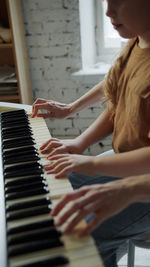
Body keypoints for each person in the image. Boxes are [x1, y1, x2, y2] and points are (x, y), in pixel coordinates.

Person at [32, 0, 150, 266]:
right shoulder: (137, 39)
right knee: (51, 179)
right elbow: (119, 94)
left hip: (146, 187)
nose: (108, 11)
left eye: (119, 1)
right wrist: (79, 140)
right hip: (123, 160)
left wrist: (93, 162)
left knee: (86, 236)